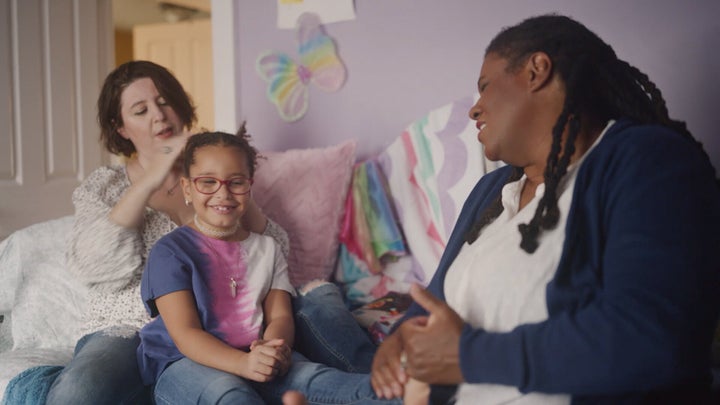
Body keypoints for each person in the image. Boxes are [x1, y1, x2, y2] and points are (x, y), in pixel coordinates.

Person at [371, 13, 720, 405]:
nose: (475, 109)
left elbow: (653, 338)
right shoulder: (491, 190)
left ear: (537, 70)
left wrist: (467, 356)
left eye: (485, 87)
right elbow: (433, 297)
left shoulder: (647, 161)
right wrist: (398, 338)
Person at [37, 60, 359, 404]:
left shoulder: (212, 173)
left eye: (164, 102)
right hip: (128, 329)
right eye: (141, 110)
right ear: (121, 128)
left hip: (218, 319)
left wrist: (228, 172)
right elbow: (92, 265)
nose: (158, 116)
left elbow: (271, 249)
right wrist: (152, 176)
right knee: (79, 391)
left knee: (318, 313)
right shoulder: (105, 186)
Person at [137, 131, 399, 404]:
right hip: (187, 363)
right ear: (187, 188)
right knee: (231, 396)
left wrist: (275, 349)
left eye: (236, 182)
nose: (223, 193)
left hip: (255, 356)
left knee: (326, 382)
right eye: (208, 182)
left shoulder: (268, 249)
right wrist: (242, 364)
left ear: (249, 187)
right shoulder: (169, 251)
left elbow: (280, 317)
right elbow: (185, 334)